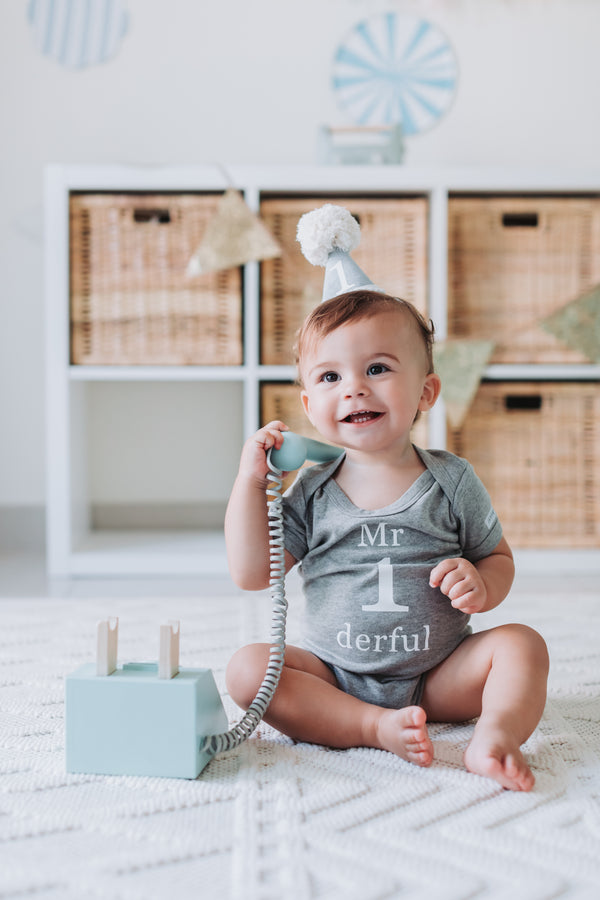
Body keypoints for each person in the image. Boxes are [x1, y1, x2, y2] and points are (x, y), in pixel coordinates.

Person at [225, 207, 549, 792]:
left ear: (425, 392)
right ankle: (371, 726)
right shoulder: (313, 490)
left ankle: (494, 736)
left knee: (523, 646)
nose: (354, 388)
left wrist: (482, 583)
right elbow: (253, 573)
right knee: (249, 669)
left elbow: (498, 558)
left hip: (439, 676)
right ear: (307, 406)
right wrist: (252, 485)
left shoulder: (450, 480)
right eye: (330, 378)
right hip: (334, 674)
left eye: (377, 368)